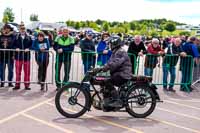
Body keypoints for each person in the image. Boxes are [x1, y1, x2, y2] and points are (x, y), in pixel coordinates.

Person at [98, 35, 132, 107]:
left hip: (123, 74)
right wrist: (101, 68)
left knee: (108, 81)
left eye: (110, 43)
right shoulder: (115, 51)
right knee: (103, 81)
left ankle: (117, 100)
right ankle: (108, 100)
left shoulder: (120, 52)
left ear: (114, 43)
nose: (109, 45)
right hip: (119, 73)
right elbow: (110, 62)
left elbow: (115, 64)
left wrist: (105, 68)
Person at [13, 25, 32, 90]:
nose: (22, 30)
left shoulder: (29, 37)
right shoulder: (16, 37)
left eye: (23, 29)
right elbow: (13, 45)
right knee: (18, 72)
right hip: (18, 57)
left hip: (27, 58)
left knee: (27, 72)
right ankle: (17, 84)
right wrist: (16, 48)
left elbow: (32, 45)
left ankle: (27, 85)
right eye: (21, 29)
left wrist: (28, 48)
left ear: (25, 29)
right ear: (19, 29)